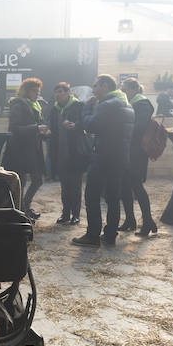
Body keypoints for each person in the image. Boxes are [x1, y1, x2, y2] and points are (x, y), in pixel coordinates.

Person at [72, 74, 134, 247]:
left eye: (96, 86)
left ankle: (92, 235)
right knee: (113, 197)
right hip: (120, 157)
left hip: (103, 157)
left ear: (105, 86)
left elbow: (90, 125)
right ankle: (110, 234)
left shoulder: (107, 105)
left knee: (92, 196)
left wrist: (86, 108)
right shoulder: (127, 105)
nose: (93, 90)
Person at [3, 77, 49, 218]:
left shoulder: (35, 106)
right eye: (34, 91)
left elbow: (36, 128)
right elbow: (15, 128)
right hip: (19, 150)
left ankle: (25, 206)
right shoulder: (18, 105)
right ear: (26, 91)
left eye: (38, 91)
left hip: (32, 150)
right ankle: (20, 212)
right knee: (20, 182)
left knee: (37, 180)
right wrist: (37, 128)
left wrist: (44, 133)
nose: (37, 94)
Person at [119, 78, 157, 236]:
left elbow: (139, 127)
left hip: (136, 152)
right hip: (128, 150)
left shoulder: (142, 103)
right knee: (125, 186)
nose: (123, 92)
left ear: (134, 89)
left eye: (125, 89)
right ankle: (130, 220)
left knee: (136, 186)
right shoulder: (133, 103)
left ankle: (147, 222)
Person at [48, 82, 86, 225]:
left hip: (75, 151)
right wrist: (47, 133)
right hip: (60, 153)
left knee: (75, 185)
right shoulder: (54, 109)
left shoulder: (78, 106)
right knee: (64, 186)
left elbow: (85, 123)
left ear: (68, 93)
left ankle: (75, 214)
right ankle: (65, 213)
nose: (57, 95)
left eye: (60, 92)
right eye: (56, 92)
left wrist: (75, 126)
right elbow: (53, 130)